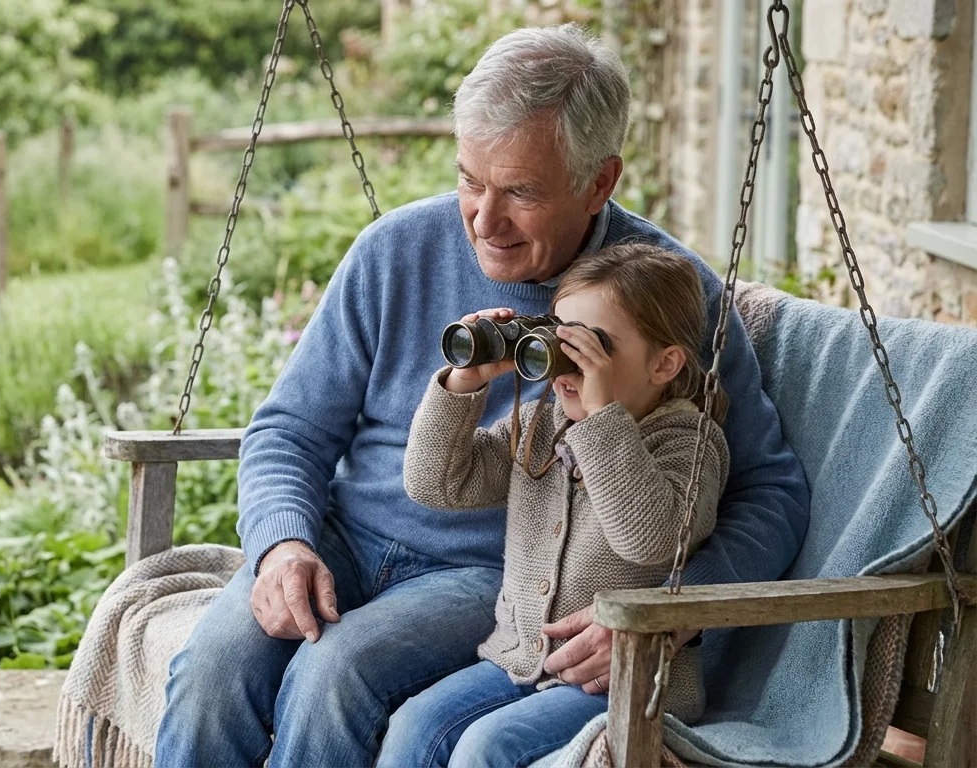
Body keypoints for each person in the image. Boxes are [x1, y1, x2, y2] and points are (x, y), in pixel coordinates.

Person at [154, 23, 809, 768]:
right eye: (471, 179)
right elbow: (289, 430)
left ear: (600, 181)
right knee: (211, 673)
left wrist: (674, 610)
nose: (482, 220)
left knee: (331, 678)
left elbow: (771, 491)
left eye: (521, 192)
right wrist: (282, 543)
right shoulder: (393, 249)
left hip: (492, 575)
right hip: (341, 537)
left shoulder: (668, 300)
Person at [377, 244, 728, 768]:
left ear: (664, 363)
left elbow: (650, 537)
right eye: (558, 339)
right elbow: (437, 483)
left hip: (626, 686)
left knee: (487, 747)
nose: (564, 362)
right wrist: (462, 384)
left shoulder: (690, 441)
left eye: (593, 347)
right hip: (517, 661)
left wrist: (600, 417)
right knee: (414, 726)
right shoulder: (543, 428)